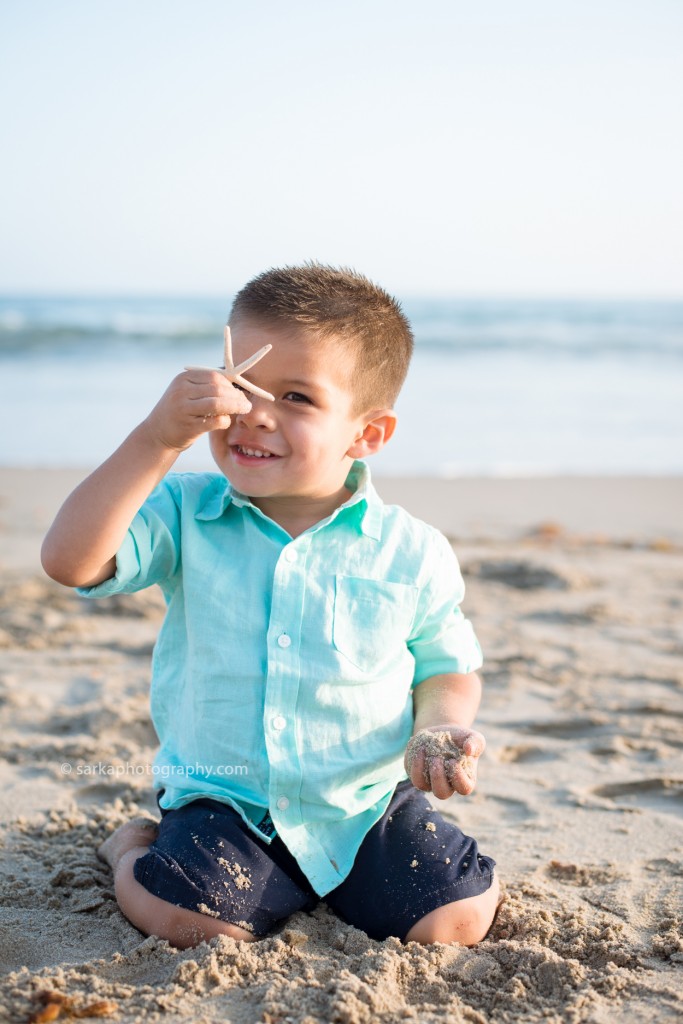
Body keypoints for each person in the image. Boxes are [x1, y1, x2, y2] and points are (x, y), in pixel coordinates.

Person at [41, 264, 499, 950]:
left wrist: (437, 729)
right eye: (242, 383)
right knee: (195, 924)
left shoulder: (410, 549)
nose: (256, 413)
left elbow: (445, 664)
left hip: (361, 804)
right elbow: (70, 560)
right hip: (225, 803)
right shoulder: (187, 511)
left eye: (295, 397)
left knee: (453, 919)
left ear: (367, 434)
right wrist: (156, 438)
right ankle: (127, 849)